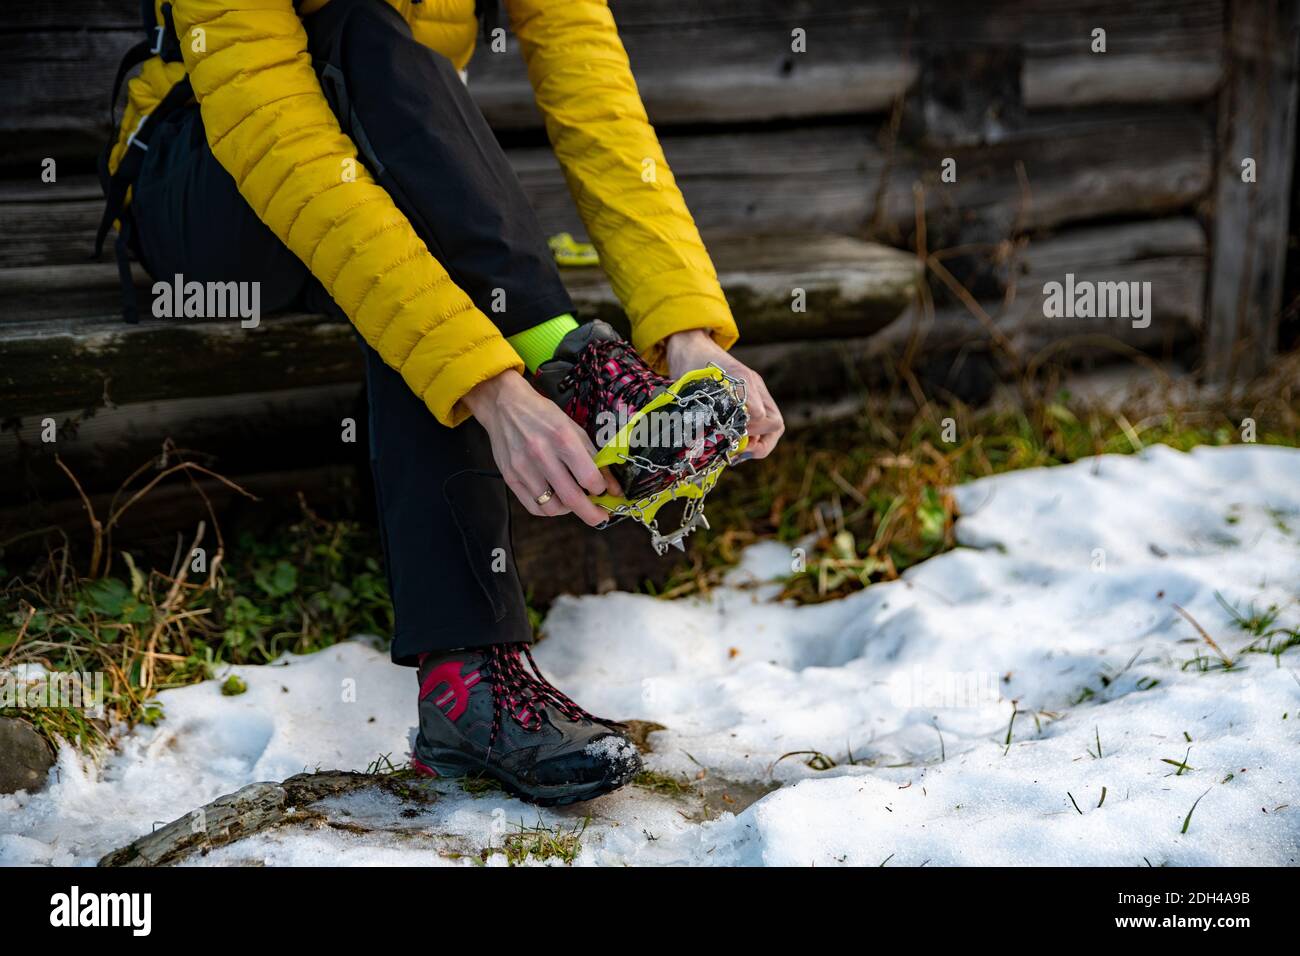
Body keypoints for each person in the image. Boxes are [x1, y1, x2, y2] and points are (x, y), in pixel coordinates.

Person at [99, 0, 785, 805]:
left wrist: (686, 331)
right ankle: (577, 369)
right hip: (212, 198)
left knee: (419, 260)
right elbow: (271, 133)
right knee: (357, 28)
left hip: (384, 183)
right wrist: (491, 386)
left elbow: (592, 88)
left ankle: (468, 686)